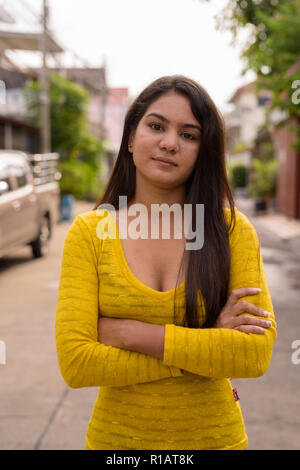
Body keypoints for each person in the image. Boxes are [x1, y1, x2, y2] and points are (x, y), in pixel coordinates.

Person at [55, 75, 277, 451]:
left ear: (203, 150)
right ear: (130, 137)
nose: (170, 143)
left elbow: (252, 355)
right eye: (156, 126)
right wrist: (206, 345)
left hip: (215, 441)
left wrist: (129, 334)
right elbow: (78, 364)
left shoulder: (232, 231)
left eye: (189, 135)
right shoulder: (91, 233)